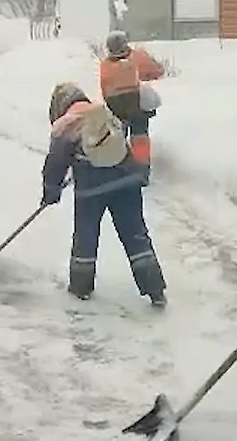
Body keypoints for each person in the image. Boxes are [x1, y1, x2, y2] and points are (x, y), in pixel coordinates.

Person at [42, 82, 168, 307]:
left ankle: (81, 287)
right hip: (126, 180)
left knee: (86, 237)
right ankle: (155, 289)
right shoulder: (103, 112)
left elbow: (55, 163)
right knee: (135, 234)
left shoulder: (66, 125)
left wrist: (51, 191)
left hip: (92, 190)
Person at [97, 30, 165, 169]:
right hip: (136, 105)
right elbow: (158, 71)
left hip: (116, 107)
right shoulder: (136, 58)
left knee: (119, 138)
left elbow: (104, 90)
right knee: (140, 137)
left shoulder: (105, 66)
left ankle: (120, 167)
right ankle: (142, 167)